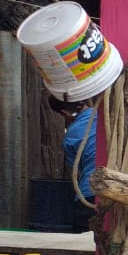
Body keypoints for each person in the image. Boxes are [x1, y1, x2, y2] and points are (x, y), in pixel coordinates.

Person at [47, 95, 96, 230]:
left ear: (64, 113)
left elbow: (77, 172)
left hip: (88, 195)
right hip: (117, 191)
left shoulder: (71, 135)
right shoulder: (104, 116)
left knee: (82, 239)